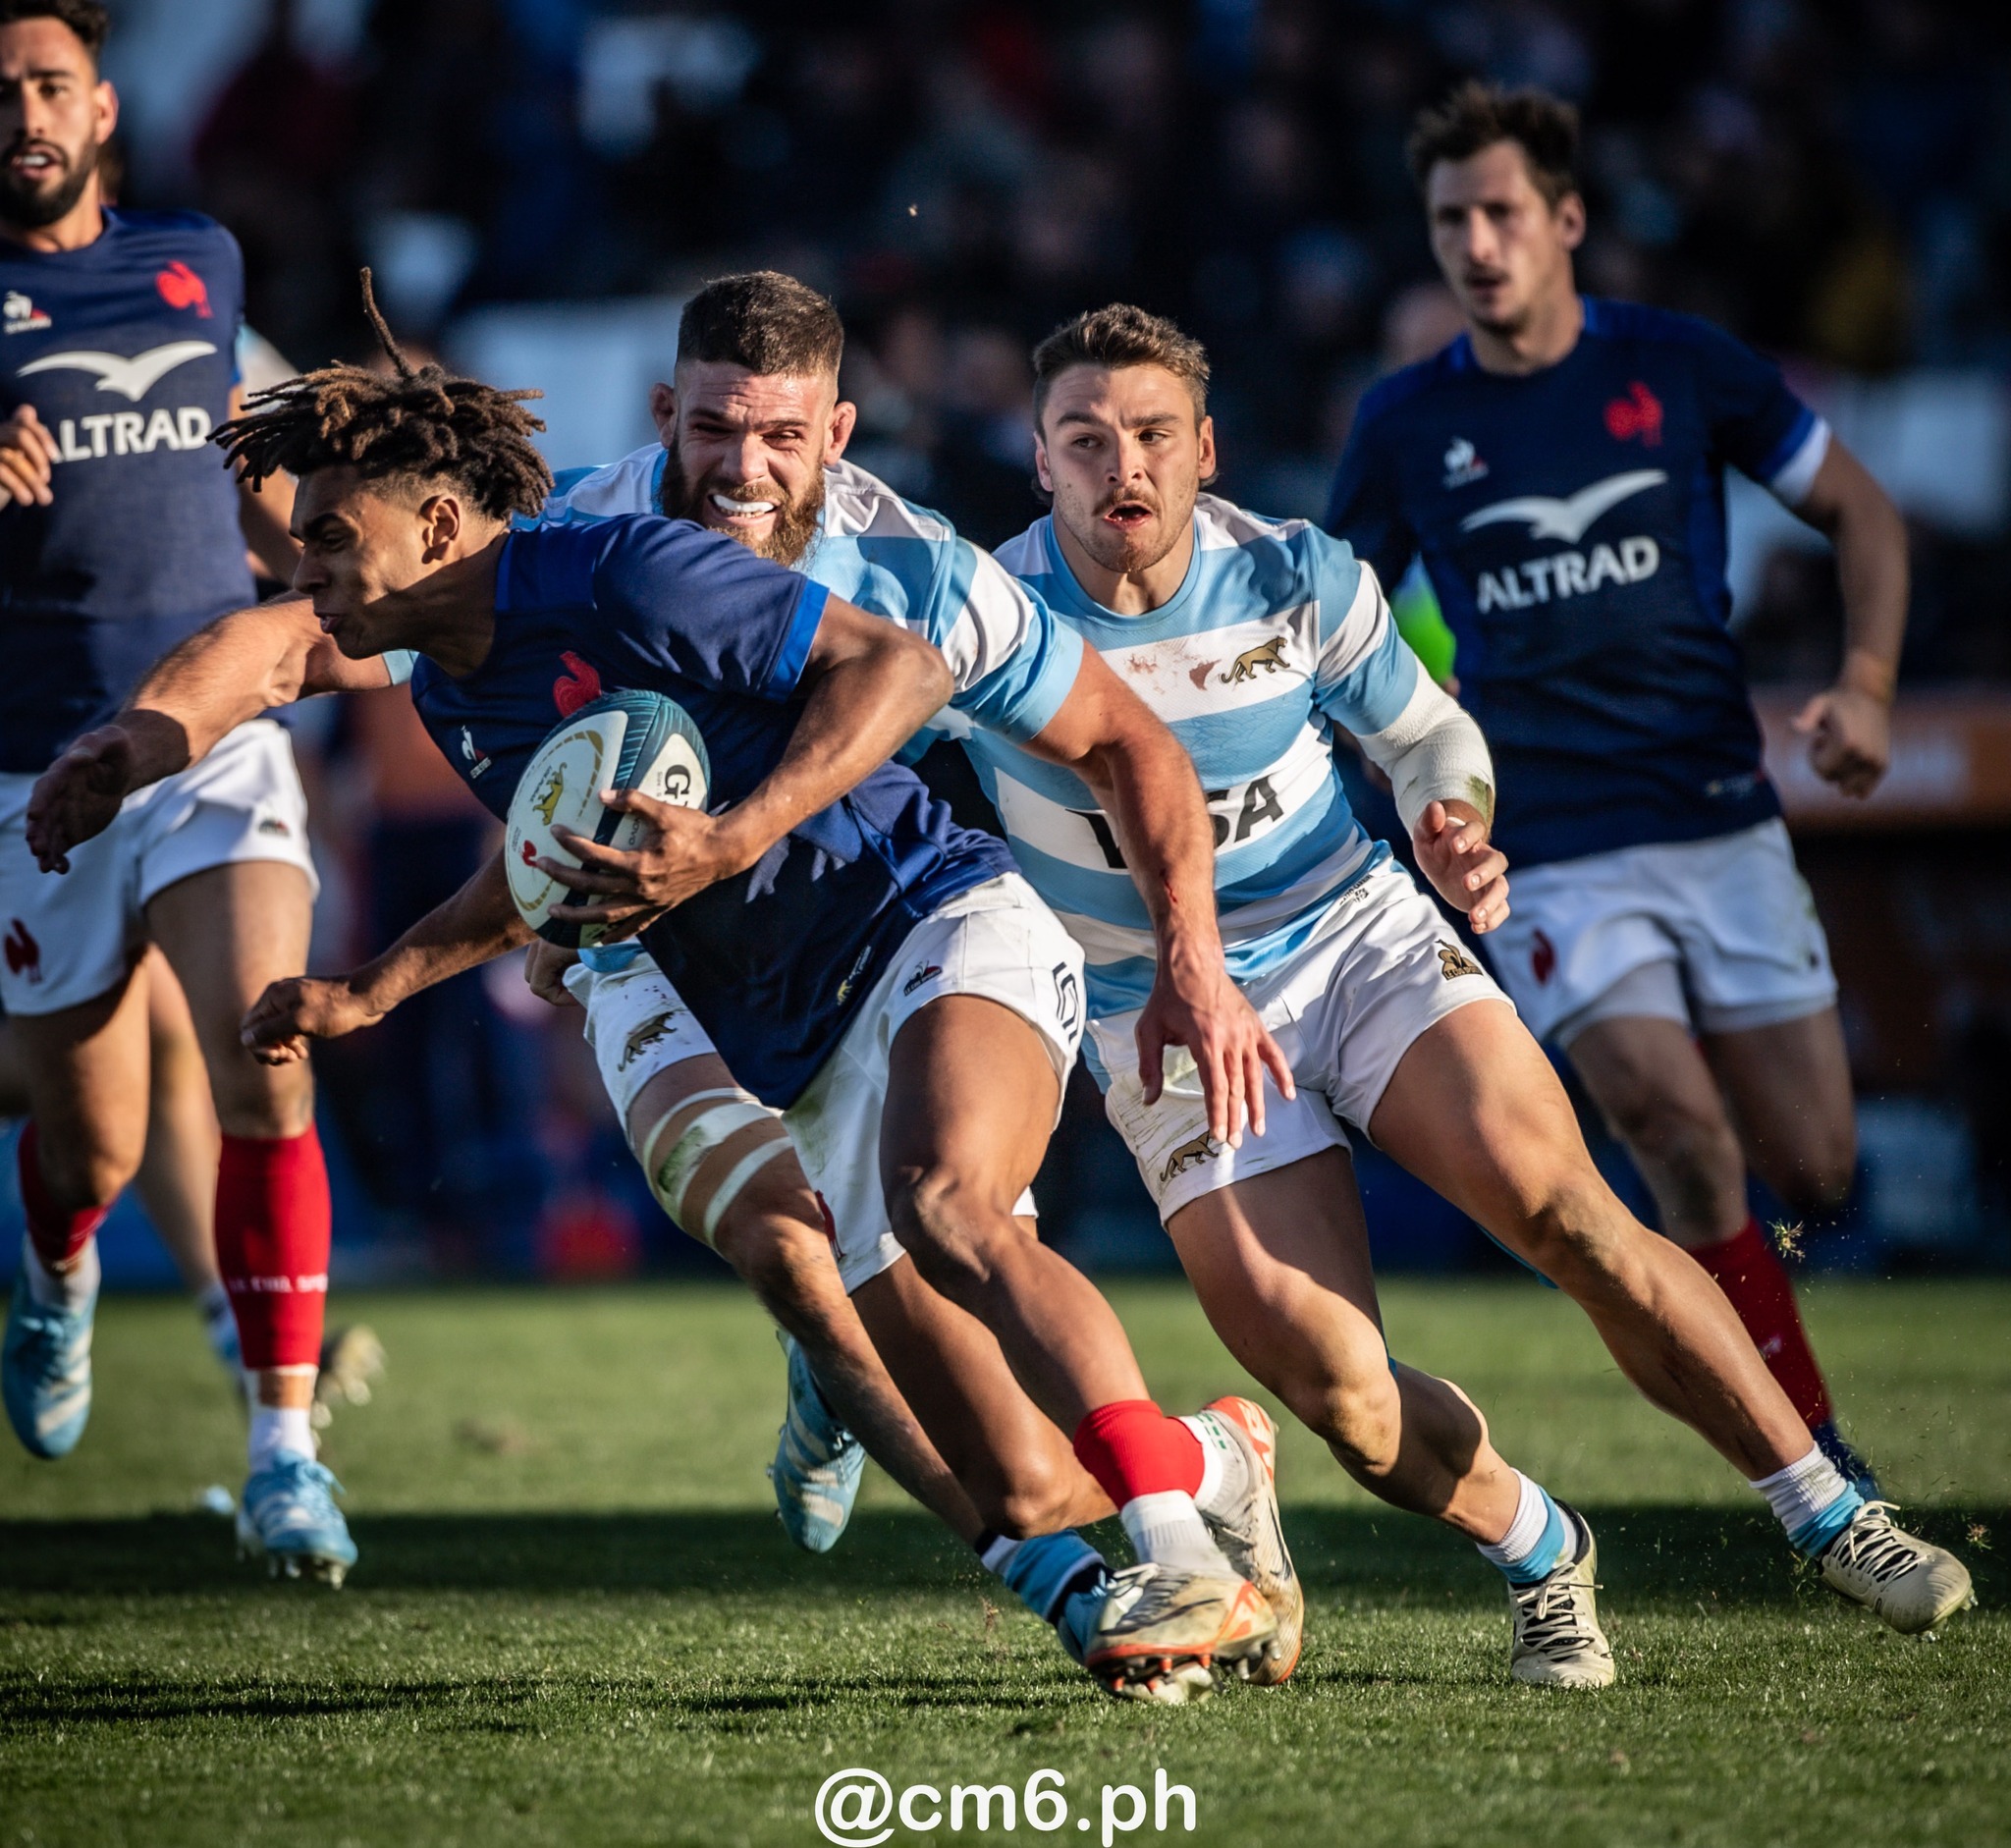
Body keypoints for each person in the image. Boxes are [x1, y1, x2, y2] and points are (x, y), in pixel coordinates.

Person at [27, 291, 1298, 1699]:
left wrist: (733, 839)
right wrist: (366, 985)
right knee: (1016, 1479)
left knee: (952, 1205)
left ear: (438, 528)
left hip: (936, 922)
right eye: (712, 427)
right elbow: (532, 861)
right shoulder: (453, 678)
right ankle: (1206, 1457)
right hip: (789, 1040)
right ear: (665, 420)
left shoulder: (623, 567)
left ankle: (1178, 1551)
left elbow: (907, 664)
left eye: (331, 535)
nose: (303, 561)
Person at [974, 300, 1968, 1675]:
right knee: (1338, 1389)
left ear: (1207, 448)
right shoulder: (985, 613)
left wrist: (1449, 817)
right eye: (1085, 440)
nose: (1120, 467)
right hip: (1168, 1016)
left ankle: (1831, 1510)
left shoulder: (1301, 575)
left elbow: (1428, 729)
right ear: (1040, 463)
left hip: (1354, 938)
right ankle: (1543, 1543)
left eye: (1150, 434)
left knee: (1569, 1208)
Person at [1327, 82, 1903, 1496]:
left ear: (1567, 219)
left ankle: (1781, 1375)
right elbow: (1320, 626)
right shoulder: (1407, 425)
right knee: (1673, 1128)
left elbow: (1861, 511)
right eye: (1450, 218)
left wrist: (1871, 684)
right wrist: (1391, 771)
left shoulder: (1681, 365)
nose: (1475, 241)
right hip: (1554, 844)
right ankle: (1818, 1465)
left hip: (1720, 809)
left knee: (1817, 1164)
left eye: (1502, 212)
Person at [0, 0, 360, 1580]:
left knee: (267, 1046)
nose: (24, 109)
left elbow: (251, 473)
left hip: (213, 735)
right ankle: (57, 1268)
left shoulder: (197, 263)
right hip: (38, 768)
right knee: (83, 1147)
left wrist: (350, 583)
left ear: (102, 108)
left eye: (49, 82)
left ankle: (285, 1450)